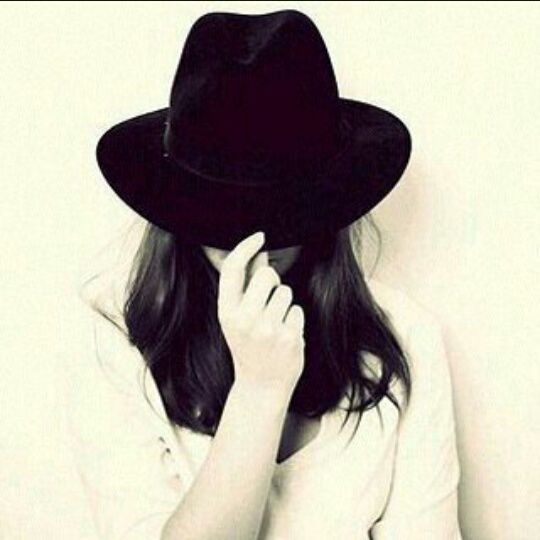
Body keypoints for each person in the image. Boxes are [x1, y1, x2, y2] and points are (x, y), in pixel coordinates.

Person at [61, 9, 462, 540]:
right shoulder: (117, 340)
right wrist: (259, 389)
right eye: (223, 209)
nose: (251, 238)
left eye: (278, 209)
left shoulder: (405, 339)